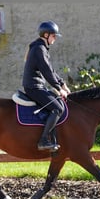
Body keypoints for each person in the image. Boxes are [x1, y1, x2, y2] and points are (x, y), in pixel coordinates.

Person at [22, 20, 71, 152]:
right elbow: (46, 71)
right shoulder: (39, 49)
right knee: (57, 109)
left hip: (38, 86)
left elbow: (51, 70)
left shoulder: (41, 48)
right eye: (54, 35)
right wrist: (58, 89)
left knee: (59, 104)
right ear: (46, 35)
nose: (55, 38)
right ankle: (43, 141)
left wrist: (63, 85)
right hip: (34, 87)